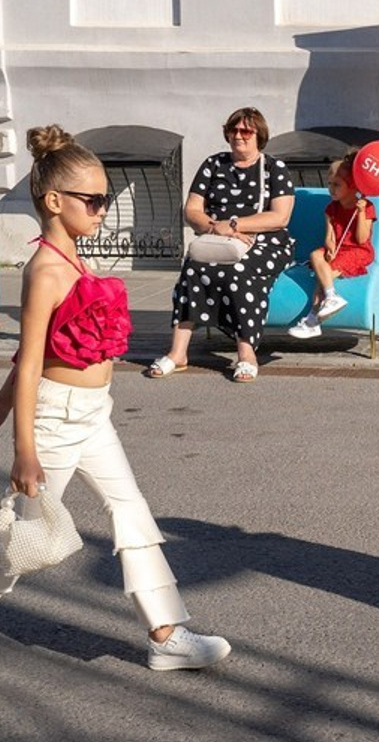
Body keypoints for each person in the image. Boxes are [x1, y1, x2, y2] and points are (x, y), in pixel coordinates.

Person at [0, 126, 230, 671]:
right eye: (95, 199)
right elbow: (29, 362)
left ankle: (167, 635)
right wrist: (23, 448)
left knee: (131, 513)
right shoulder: (47, 270)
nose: (105, 208)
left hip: (94, 416)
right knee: (23, 532)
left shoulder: (76, 259)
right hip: (54, 419)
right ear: (54, 202)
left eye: (107, 198)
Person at [147, 108, 295, 383]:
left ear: (258, 135)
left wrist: (237, 225)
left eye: (246, 131)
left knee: (238, 271)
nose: (238, 136)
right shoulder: (214, 164)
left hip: (265, 240)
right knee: (192, 269)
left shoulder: (275, 168)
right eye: (233, 130)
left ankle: (246, 354)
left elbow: (279, 217)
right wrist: (218, 227)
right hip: (219, 235)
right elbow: (192, 210)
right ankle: (178, 353)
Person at [288, 150, 377, 339]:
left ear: (352, 186)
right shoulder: (331, 208)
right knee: (315, 255)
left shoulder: (366, 207)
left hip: (357, 251)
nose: (331, 189)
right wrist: (329, 247)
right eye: (329, 184)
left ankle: (313, 320)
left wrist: (361, 214)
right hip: (339, 249)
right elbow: (329, 236)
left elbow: (362, 239)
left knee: (322, 278)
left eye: (337, 184)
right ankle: (332, 296)